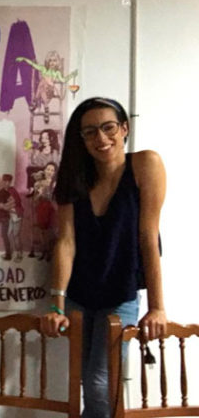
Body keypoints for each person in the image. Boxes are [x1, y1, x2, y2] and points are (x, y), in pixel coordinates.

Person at [40, 97, 166, 418]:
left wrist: (157, 307)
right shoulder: (73, 176)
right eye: (90, 132)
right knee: (84, 380)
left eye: (108, 127)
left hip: (120, 292)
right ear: (81, 139)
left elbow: (148, 238)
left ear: (124, 128)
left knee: (99, 384)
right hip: (78, 294)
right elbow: (66, 242)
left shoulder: (145, 164)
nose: (101, 138)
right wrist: (56, 304)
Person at [1, 174, 24, 261]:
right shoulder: (2, 191)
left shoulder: (12, 191)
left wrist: (7, 207)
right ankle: (9, 252)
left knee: (16, 235)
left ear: (10, 182)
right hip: (10, 216)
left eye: (8, 182)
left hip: (17, 215)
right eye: (5, 181)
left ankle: (19, 254)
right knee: (7, 234)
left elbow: (17, 203)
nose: (6, 183)